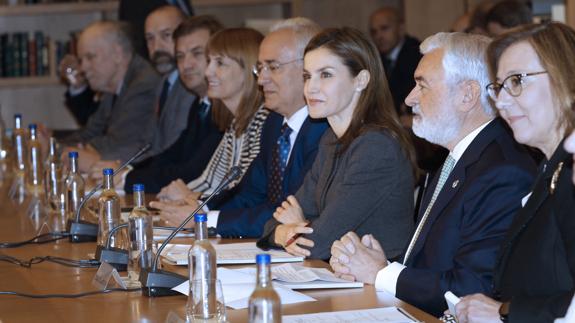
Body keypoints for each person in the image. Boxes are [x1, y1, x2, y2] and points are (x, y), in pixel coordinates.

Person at [329, 32, 537, 316]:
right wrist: (380, 264)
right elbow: (432, 265)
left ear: (467, 94)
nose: (409, 98)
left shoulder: (503, 171)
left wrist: (381, 273)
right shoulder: (456, 158)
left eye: (422, 85)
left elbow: (471, 288)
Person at [144, 18, 328, 238]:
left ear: (308, 69)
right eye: (260, 68)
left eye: (273, 67)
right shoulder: (275, 124)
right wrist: (202, 212)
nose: (262, 79)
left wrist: (206, 220)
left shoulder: (323, 130)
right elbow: (249, 194)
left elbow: (290, 209)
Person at [256, 27, 417, 261]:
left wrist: (297, 226)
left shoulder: (376, 147)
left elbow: (317, 244)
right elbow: (273, 222)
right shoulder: (331, 139)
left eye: (326, 75)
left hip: (376, 290)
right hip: (338, 279)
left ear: (361, 80)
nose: (311, 87)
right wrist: (287, 230)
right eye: (307, 76)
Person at [454, 22, 575, 323]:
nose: (502, 102)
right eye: (498, 87)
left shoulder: (570, 172)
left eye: (517, 81)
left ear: (565, 76)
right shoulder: (550, 166)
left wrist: (503, 312)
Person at [150, 27, 270, 215]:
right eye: (209, 62)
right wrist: (181, 195)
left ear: (248, 69)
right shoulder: (235, 123)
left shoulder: (263, 121)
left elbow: (242, 193)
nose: (208, 72)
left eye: (219, 63)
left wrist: (189, 197)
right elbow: (210, 181)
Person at [122, 15, 227, 194]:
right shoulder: (199, 103)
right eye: (180, 56)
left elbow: (192, 173)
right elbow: (171, 155)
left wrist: (127, 179)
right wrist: (127, 171)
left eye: (197, 53)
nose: (186, 65)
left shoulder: (227, 108)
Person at [61, 21, 160, 172]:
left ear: (118, 54)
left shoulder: (143, 85)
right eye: (81, 60)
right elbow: (90, 132)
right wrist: (54, 147)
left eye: (90, 57)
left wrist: (84, 150)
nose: (83, 68)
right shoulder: (111, 86)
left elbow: (118, 145)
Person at [368, 6, 421, 117]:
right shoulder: (374, 59)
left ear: (401, 28)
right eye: (374, 32)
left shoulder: (418, 54)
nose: (379, 36)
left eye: (384, 28)